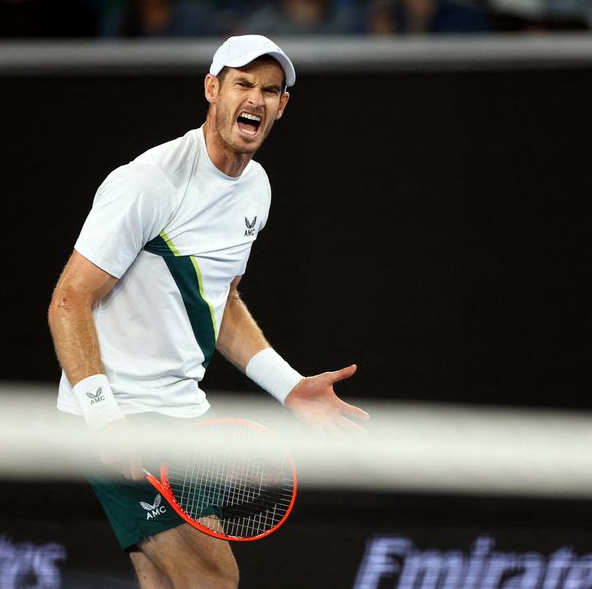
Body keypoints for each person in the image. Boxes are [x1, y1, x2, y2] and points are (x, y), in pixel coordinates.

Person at [47, 34, 369, 588]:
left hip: (180, 415)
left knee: (166, 582)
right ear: (212, 89)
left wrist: (288, 386)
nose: (257, 98)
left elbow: (221, 302)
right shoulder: (149, 183)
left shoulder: (256, 190)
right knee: (212, 580)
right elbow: (69, 300)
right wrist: (105, 420)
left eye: (270, 90)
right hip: (123, 411)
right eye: (243, 84)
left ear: (282, 105)